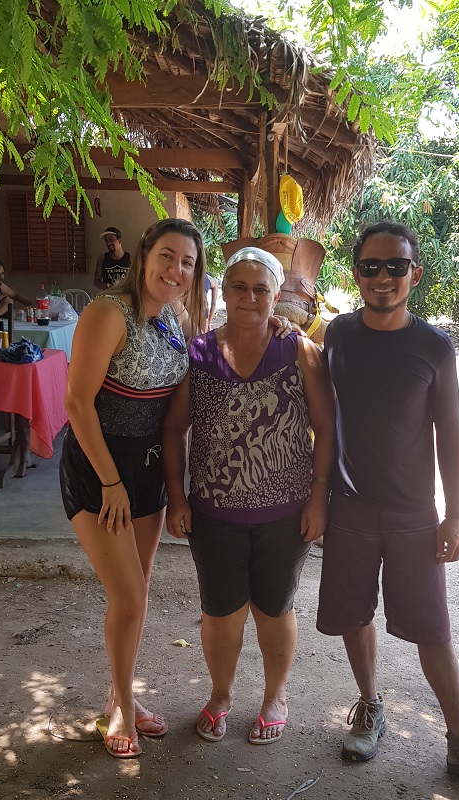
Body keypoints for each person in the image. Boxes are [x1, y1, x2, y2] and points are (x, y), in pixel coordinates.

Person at [316, 221, 459, 782]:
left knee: (432, 628)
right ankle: (370, 707)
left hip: (413, 513)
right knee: (355, 614)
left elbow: (449, 432)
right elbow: (323, 414)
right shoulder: (337, 335)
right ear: (354, 272)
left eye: (395, 267)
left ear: (414, 274)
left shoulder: (434, 346)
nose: (382, 278)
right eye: (370, 266)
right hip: (351, 508)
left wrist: (455, 512)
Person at [164, 246, 335, 745]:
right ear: (225, 291)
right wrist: (177, 496)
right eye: (239, 286)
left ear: (276, 295)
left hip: (286, 513)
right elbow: (174, 429)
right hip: (214, 513)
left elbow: (326, 427)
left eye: (261, 288)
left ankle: (274, 696)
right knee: (220, 612)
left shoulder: (298, 351)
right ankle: (220, 695)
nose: (249, 296)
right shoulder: (198, 354)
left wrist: (319, 497)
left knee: (274, 608)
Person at [60, 218, 206, 759]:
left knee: (137, 596)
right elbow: (78, 405)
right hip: (101, 470)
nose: (175, 270)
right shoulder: (107, 312)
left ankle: (120, 694)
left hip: (144, 473)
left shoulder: (173, 321)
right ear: (145, 256)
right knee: (127, 596)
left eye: (187, 263)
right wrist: (110, 482)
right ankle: (119, 707)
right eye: (168, 256)